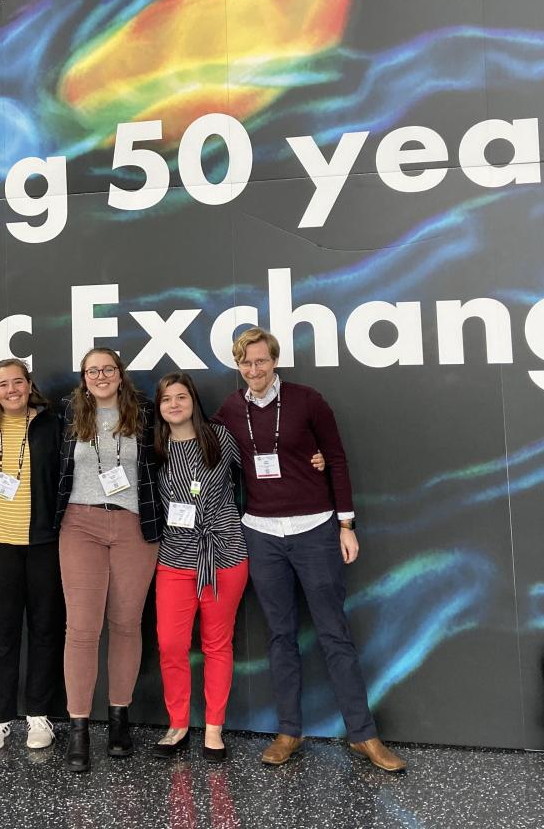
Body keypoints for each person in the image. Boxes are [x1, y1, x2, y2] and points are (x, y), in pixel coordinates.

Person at [213, 327, 406, 772]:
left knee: (334, 633)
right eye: (246, 363)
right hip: (261, 533)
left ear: (274, 360)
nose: (254, 370)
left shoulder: (307, 400)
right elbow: (212, 453)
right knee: (280, 637)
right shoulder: (229, 409)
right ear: (238, 366)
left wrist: (346, 523)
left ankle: (364, 735)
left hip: (315, 529)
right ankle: (288, 732)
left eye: (261, 361)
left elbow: (335, 458)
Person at [55, 348, 160, 772]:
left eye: (107, 369)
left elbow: (184, 443)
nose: (100, 376)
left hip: (136, 525)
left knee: (126, 625)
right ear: (83, 377)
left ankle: (119, 719)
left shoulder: (146, 411)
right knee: (81, 629)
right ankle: (79, 728)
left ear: (121, 373)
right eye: (92, 370)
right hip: (79, 524)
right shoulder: (68, 411)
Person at [0, 358, 66, 752]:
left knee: (44, 631)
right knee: (2, 635)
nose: (11, 390)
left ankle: (38, 716)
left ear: (29, 385)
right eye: (3, 384)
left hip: (43, 545)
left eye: (18, 382)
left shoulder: (50, 426)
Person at [149, 372, 248, 762]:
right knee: (172, 644)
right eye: (166, 399)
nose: (174, 404)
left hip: (224, 555)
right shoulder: (154, 448)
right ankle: (177, 724)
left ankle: (213, 727)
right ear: (159, 408)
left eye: (181, 397)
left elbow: (258, 470)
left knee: (217, 644)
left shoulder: (219, 439)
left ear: (193, 400)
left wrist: (314, 459)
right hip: (174, 558)